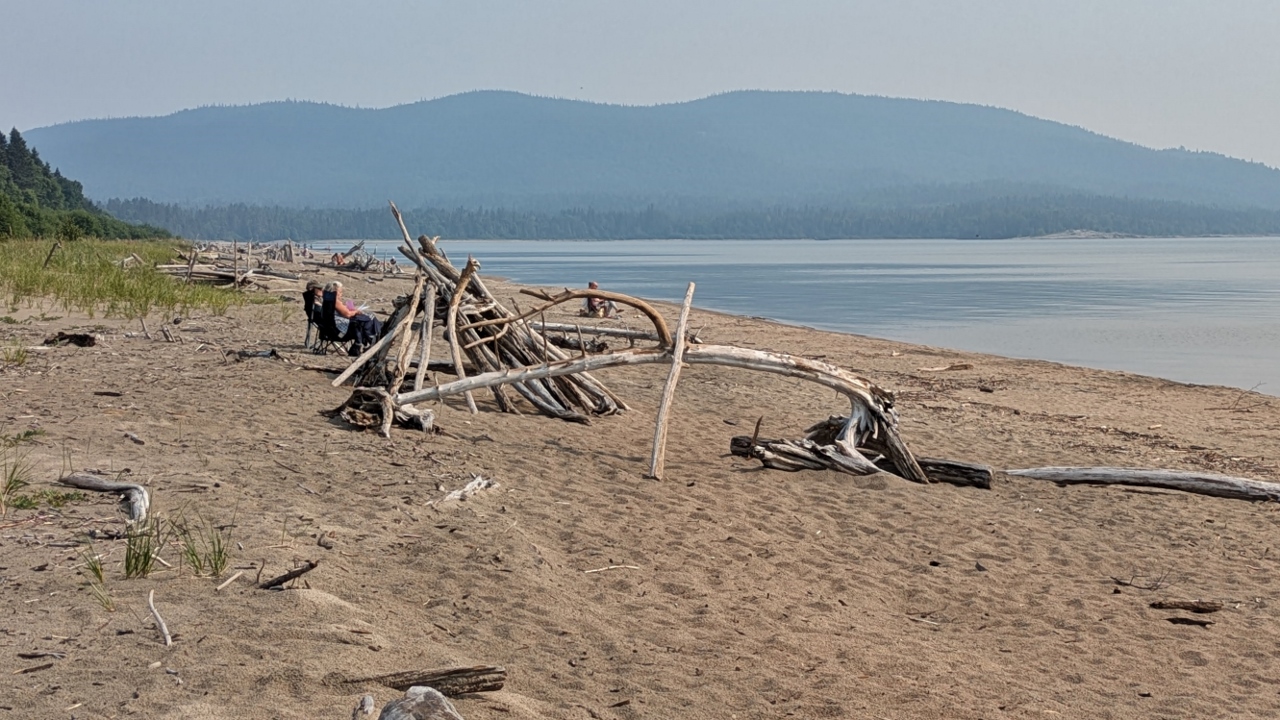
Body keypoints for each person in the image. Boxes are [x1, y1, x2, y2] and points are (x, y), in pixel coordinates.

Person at [327, 281, 383, 355]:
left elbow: (344, 311)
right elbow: (347, 314)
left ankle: (369, 339)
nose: (341, 294)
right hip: (340, 332)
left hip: (335, 328)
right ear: (334, 292)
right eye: (340, 292)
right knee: (368, 319)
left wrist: (352, 310)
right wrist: (355, 312)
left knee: (366, 319)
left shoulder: (327, 300)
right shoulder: (334, 301)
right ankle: (374, 337)